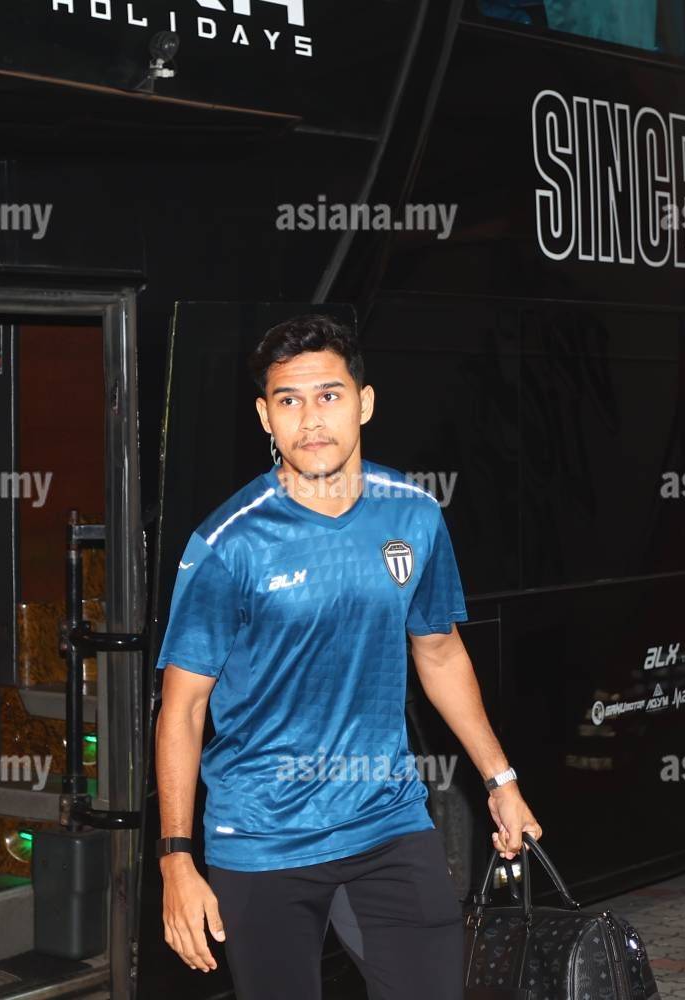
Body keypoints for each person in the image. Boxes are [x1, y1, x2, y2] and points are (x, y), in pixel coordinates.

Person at [153, 314, 541, 999]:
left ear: (364, 402)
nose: (311, 420)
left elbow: (440, 652)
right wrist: (176, 860)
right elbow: (183, 709)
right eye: (288, 400)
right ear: (265, 417)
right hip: (263, 834)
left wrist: (500, 781)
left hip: (387, 818)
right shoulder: (228, 543)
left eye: (329, 395)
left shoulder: (413, 513)